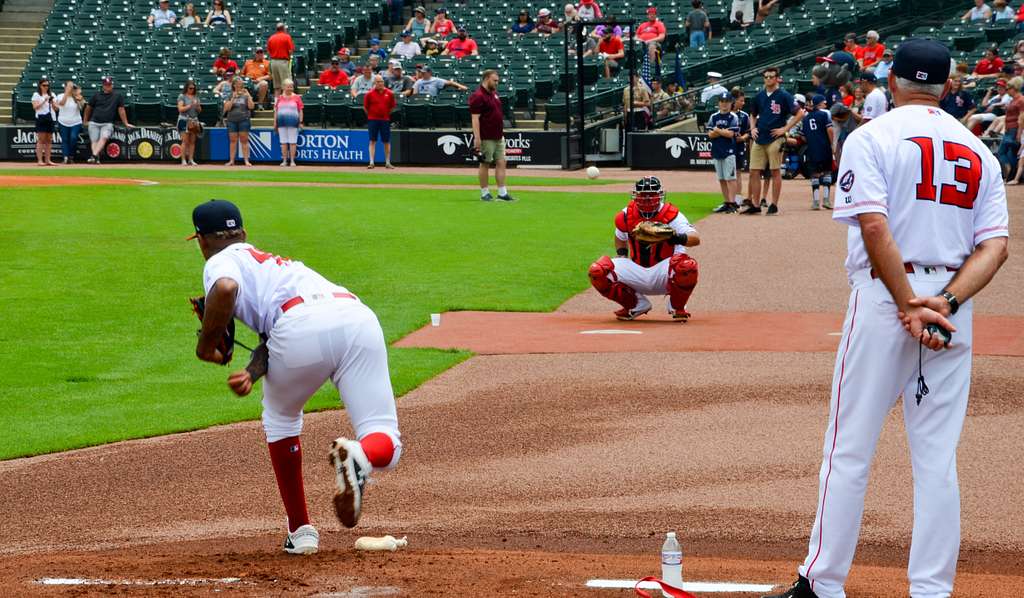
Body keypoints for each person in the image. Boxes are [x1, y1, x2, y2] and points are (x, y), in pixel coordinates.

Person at [762, 37, 1009, 598]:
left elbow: (875, 227)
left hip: (886, 300)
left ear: (892, 82)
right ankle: (931, 590)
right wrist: (942, 304)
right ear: (947, 87)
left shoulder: (872, 136)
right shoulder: (980, 151)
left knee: (849, 447)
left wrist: (907, 304)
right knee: (937, 456)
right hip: (952, 304)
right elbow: (995, 248)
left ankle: (823, 583)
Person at [188, 198, 404, 554]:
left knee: (281, 418)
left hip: (298, 326)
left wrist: (206, 344)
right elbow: (272, 335)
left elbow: (226, 291)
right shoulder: (276, 265)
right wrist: (251, 373)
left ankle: (301, 531)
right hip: (356, 316)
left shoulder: (219, 261)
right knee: (386, 440)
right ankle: (361, 454)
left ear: (201, 240)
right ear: (242, 233)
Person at [588, 176, 701, 321]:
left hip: (665, 271)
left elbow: (695, 238)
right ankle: (635, 305)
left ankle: (677, 306)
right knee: (598, 270)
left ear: (659, 195)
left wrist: (674, 237)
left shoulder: (672, 215)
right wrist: (622, 257)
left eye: (651, 195)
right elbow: (619, 237)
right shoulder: (626, 215)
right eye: (643, 195)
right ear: (636, 195)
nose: (647, 198)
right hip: (637, 269)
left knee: (687, 267)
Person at [742, 66, 804, 214]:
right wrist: (752, 128)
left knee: (775, 171)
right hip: (760, 137)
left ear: (777, 78)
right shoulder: (759, 96)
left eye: (771, 76)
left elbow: (800, 113)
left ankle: (774, 204)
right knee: (753, 171)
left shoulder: (784, 95)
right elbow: (752, 114)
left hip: (776, 137)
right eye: (766, 77)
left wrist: (785, 129)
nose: (768, 79)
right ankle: (756, 204)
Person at [470, 70, 513, 201]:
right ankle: (484, 193)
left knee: (501, 162)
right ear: (487, 78)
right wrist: (477, 138)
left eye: (497, 81)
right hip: (486, 136)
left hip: (498, 135)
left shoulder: (494, 94)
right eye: (494, 80)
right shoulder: (477, 96)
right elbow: (475, 118)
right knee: (485, 163)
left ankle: (502, 193)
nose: (496, 83)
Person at [83, 76, 132, 164]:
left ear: (112, 85)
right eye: (106, 85)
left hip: (107, 123)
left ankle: (93, 156)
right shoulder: (96, 95)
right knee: (94, 140)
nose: (108, 86)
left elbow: (121, 110)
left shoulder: (117, 96)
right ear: (103, 86)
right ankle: (96, 158)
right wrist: (85, 120)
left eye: (109, 85)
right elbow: (88, 108)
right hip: (94, 121)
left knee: (104, 138)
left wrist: (126, 123)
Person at [800, 94, 835, 210]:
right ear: (819, 104)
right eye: (823, 102)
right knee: (827, 172)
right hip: (824, 147)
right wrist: (832, 143)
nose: (825, 104)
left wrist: (812, 138)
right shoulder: (824, 114)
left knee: (814, 174)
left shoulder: (805, 118)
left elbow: (803, 137)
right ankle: (826, 200)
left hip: (812, 148)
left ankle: (815, 202)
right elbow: (830, 129)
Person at [707, 94, 740, 213]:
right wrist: (722, 132)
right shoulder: (714, 116)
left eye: (727, 101)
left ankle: (733, 203)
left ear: (731, 103)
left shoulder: (733, 117)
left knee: (730, 178)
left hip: (729, 151)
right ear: (719, 102)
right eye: (722, 101)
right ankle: (727, 202)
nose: (724, 103)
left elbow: (731, 134)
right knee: (721, 179)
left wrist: (717, 130)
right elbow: (710, 134)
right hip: (717, 150)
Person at [364, 75, 396, 169]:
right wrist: (371, 115)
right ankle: (371, 162)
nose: (380, 83)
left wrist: (385, 114)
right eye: (378, 82)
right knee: (372, 141)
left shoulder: (389, 93)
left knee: (386, 141)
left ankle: (387, 162)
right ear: (374, 83)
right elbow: (366, 108)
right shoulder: (369, 94)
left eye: (381, 81)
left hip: (385, 120)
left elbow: (392, 107)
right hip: (373, 120)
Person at [995, 76, 1024, 178]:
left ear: (1014, 88)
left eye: (1009, 88)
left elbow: (1021, 118)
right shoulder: (1014, 99)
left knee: (1002, 152)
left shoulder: (1021, 99)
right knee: (1010, 153)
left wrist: (1019, 134)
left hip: (1014, 129)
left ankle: (1010, 171)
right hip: (1009, 129)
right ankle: (1012, 174)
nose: (1007, 91)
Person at [224, 77, 254, 167]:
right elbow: (227, 108)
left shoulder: (245, 94)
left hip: (244, 119)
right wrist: (233, 97)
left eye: (241, 83)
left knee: (244, 140)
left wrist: (248, 95)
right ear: (234, 85)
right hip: (232, 120)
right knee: (233, 140)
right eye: (238, 83)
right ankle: (232, 160)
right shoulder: (229, 95)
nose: (240, 85)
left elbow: (251, 106)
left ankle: (246, 160)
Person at [274, 79, 303, 167]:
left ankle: (292, 161)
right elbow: (276, 110)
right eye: (288, 86)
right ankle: (284, 160)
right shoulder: (279, 98)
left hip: (293, 122)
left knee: (293, 142)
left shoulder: (297, 97)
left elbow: (300, 110)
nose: (290, 88)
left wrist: (300, 121)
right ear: (283, 87)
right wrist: (275, 122)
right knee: (283, 142)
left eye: (291, 86)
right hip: (281, 122)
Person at [55, 80, 84, 164]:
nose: (71, 89)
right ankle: (65, 157)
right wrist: (67, 93)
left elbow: (82, 107)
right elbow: (62, 103)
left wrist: (78, 97)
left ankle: (71, 156)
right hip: (63, 121)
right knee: (65, 139)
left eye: (72, 87)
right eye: (69, 87)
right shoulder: (60, 96)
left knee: (73, 138)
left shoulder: (76, 96)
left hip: (75, 121)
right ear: (65, 87)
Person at [177, 79, 202, 166]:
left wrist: (197, 106)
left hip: (194, 120)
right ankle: (183, 159)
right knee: (185, 141)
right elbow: (180, 109)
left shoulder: (196, 97)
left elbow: (199, 111)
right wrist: (190, 105)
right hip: (184, 119)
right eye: (190, 88)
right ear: (186, 88)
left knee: (192, 141)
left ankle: (191, 159)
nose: (192, 90)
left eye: (193, 88)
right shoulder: (182, 96)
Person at [32, 79, 56, 166]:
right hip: (41, 118)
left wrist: (52, 102)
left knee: (49, 140)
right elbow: (35, 107)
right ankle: (39, 160)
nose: (46, 87)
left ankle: (48, 160)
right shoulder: (36, 95)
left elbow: (56, 108)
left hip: (51, 118)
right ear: (40, 86)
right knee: (41, 140)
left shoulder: (52, 94)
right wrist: (44, 100)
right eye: (44, 85)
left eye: (47, 85)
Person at [267, 23, 295, 97]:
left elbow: (269, 51)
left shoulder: (271, 38)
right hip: (282, 62)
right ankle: (287, 103)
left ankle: (276, 105)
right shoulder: (286, 37)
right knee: (287, 84)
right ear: (283, 29)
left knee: (277, 86)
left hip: (273, 62)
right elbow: (290, 51)